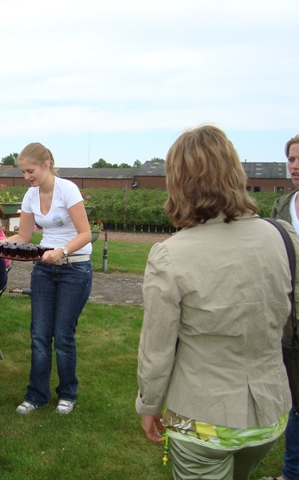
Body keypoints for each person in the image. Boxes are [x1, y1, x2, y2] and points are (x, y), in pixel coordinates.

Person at [136, 125, 294, 480]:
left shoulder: (170, 254)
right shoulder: (282, 236)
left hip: (201, 418)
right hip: (269, 415)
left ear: (179, 182)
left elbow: (157, 348)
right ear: (235, 172)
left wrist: (149, 404)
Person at [5, 142, 93, 415]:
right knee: (39, 334)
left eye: (30, 171)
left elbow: (86, 234)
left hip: (74, 268)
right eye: (23, 172)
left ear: (46, 165)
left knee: (63, 335)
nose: (26, 177)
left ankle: (67, 394)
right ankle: (36, 395)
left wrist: (61, 251)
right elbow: (24, 236)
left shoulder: (67, 189)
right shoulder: (30, 195)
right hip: (44, 268)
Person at [266, 133, 299, 480]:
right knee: (294, 400)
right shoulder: (282, 207)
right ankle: (291, 473)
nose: (295, 165)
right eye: (291, 159)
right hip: (290, 317)